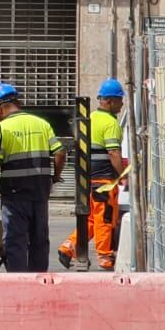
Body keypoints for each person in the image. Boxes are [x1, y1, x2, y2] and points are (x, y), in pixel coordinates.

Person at [0, 83, 64, 272]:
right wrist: (55, 177)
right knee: (39, 237)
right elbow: (60, 152)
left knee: (15, 239)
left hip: (14, 193)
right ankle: (39, 279)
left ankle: (18, 280)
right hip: (40, 190)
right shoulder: (42, 124)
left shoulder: (2, 128)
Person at [58, 79, 126, 270]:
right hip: (104, 180)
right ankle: (105, 258)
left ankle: (67, 248)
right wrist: (122, 175)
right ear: (110, 101)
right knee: (105, 218)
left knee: (90, 218)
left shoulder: (90, 117)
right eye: (120, 100)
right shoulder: (110, 123)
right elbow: (113, 153)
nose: (122, 104)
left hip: (85, 180)